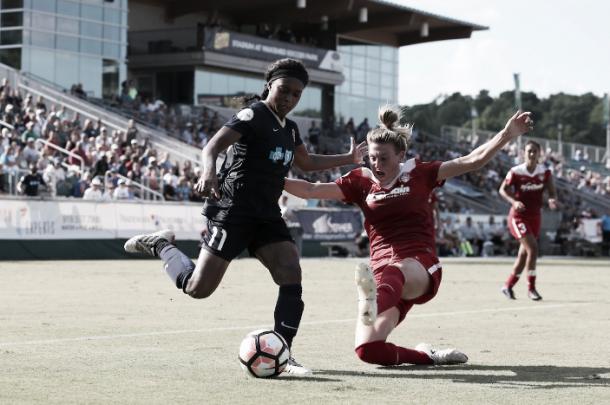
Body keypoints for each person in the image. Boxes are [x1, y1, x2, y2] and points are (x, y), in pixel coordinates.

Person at [122, 58, 366, 375]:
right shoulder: (252, 115)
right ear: (269, 86)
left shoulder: (290, 129)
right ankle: (161, 246)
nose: (289, 98)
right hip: (233, 212)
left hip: (266, 215)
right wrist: (208, 174)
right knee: (198, 289)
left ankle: (285, 353)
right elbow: (211, 147)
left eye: (296, 94)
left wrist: (347, 158)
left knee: (291, 272)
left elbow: (305, 163)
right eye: (284, 90)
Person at [283, 106, 534, 367]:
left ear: (401, 155)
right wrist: (272, 177)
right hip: (382, 277)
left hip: (419, 265)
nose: (377, 165)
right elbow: (311, 190)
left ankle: (371, 301)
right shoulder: (360, 182)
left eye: (384, 159)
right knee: (368, 350)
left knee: (394, 273)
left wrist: (507, 134)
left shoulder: (420, 173)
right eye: (372, 158)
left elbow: (471, 160)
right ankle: (428, 356)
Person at [499, 140, 558, 301]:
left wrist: (552, 200)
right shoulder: (516, 172)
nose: (532, 154)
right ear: (523, 153)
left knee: (524, 255)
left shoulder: (545, 173)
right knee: (533, 249)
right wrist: (514, 201)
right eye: (529, 151)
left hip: (535, 217)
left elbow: (552, 193)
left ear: (540, 153)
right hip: (518, 217)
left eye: (534, 151)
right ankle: (531, 289)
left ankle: (507, 286)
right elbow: (502, 190)